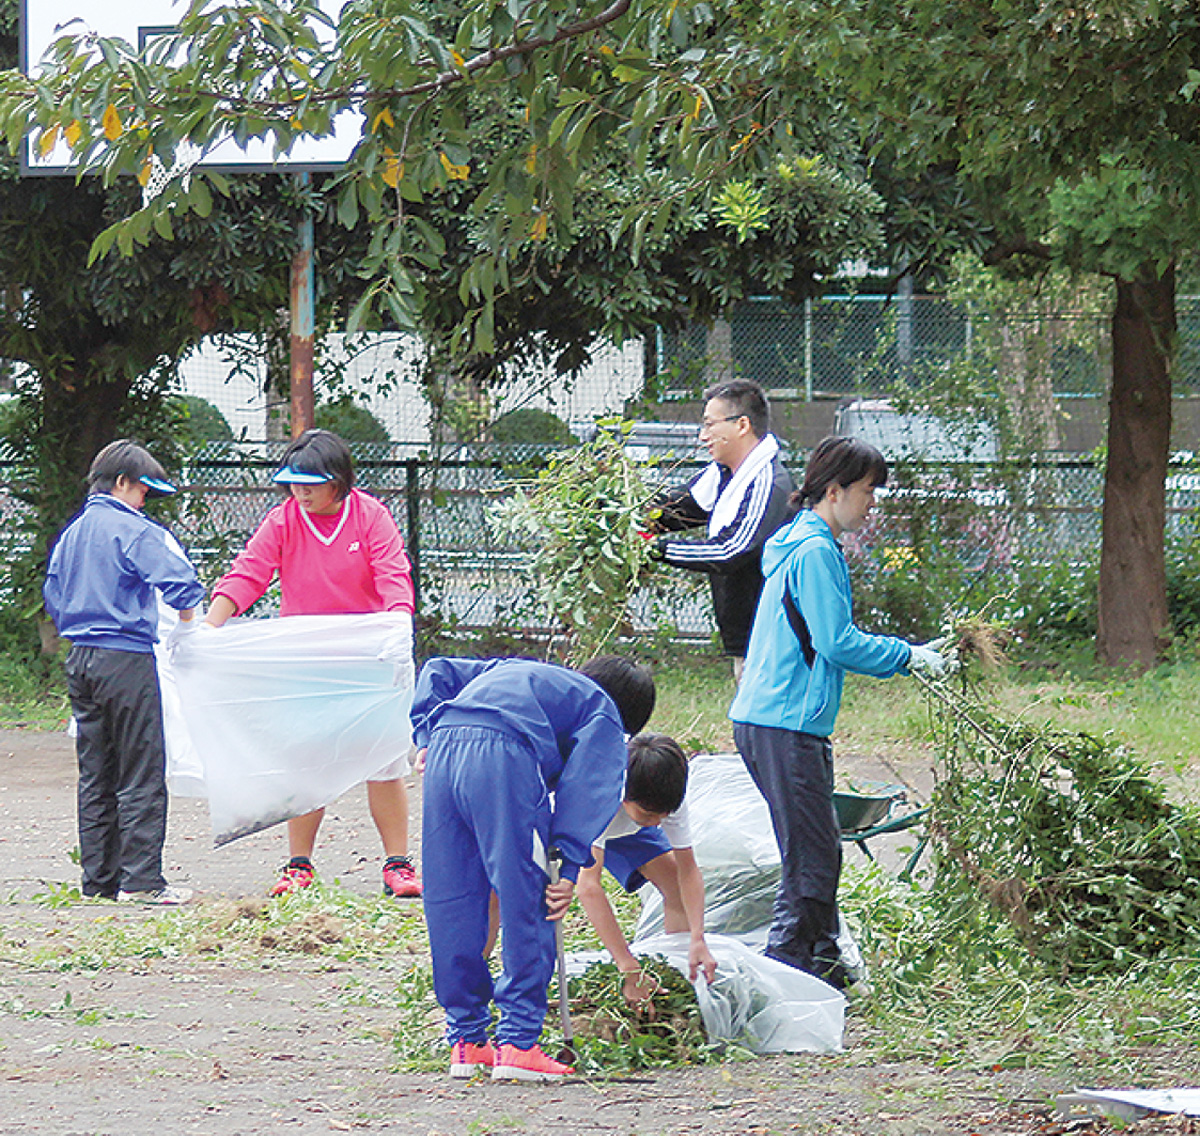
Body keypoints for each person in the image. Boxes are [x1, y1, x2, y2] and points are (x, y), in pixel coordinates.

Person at [728, 436, 948, 988]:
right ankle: (781, 981)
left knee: (816, 851)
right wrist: (908, 656)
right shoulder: (816, 551)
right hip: (784, 722)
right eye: (869, 491)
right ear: (835, 490)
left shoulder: (798, 542)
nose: (873, 503)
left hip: (775, 720)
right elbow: (837, 642)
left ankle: (826, 970)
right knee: (813, 861)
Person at [412, 654, 656, 1082]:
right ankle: (519, 1043)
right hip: (504, 755)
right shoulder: (602, 708)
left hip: (445, 748)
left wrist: (424, 734)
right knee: (528, 894)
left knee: (453, 897)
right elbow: (591, 786)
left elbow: (437, 669)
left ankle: (467, 1040)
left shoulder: (517, 670)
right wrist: (566, 863)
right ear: (628, 717)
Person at [204, 429, 420, 899]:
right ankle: (299, 865)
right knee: (305, 764)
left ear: (339, 482)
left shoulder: (370, 516)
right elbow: (250, 572)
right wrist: (210, 630)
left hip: (367, 660)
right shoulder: (284, 520)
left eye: (312, 482)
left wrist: (398, 628)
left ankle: (398, 866)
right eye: (293, 482)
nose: (300, 491)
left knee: (383, 762)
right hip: (305, 664)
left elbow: (392, 573)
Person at [43, 439, 206, 906]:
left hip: (81, 660)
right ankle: (142, 881)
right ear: (121, 483)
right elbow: (181, 584)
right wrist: (189, 627)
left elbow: (53, 594)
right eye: (142, 491)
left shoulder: (72, 532)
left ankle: (99, 881)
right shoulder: (132, 528)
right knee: (141, 769)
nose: (144, 501)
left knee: (96, 773)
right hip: (126, 659)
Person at [649, 379, 796, 680]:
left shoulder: (768, 482)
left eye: (709, 425)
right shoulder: (724, 475)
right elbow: (675, 511)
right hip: (747, 637)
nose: (703, 437)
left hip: (773, 636)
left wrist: (652, 549)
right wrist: (621, 514)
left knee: (768, 724)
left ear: (742, 425)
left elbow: (731, 550)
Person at [575, 733, 718, 1004]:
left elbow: (688, 870)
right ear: (624, 795)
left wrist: (698, 938)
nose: (658, 823)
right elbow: (588, 887)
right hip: (575, 821)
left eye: (664, 815)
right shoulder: (595, 796)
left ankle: (679, 968)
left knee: (673, 882)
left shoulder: (663, 796)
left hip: (629, 822)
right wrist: (627, 966)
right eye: (650, 815)